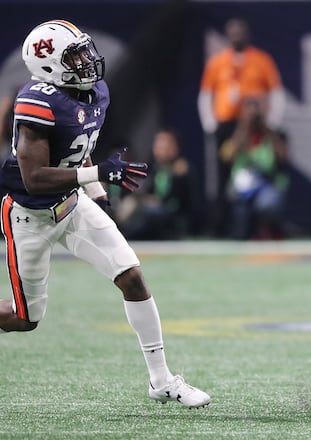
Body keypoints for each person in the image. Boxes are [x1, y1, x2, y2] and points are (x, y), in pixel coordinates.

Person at [0, 20, 210, 407]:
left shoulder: (94, 91)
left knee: (131, 277)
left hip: (72, 204)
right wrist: (97, 175)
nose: (87, 61)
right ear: (47, 66)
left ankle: (161, 380)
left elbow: (78, 147)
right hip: (29, 215)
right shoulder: (36, 102)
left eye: (84, 50)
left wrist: (94, 189)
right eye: (74, 56)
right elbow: (33, 178)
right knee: (23, 319)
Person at [198, 17, 284, 237]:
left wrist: (272, 121)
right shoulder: (218, 61)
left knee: (264, 170)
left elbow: (276, 91)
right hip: (227, 125)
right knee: (222, 176)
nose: (236, 36)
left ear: (247, 34)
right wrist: (210, 123)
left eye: (240, 32)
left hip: (256, 125)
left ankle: (264, 225)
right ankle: (221, 226)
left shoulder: (261, 60)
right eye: (232, 33)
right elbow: (207, 93)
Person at [222, 96, 289, 240]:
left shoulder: (274, 134)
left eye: (256, 113)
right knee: (239, 208)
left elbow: (283, 156)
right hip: (241, 187)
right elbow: (226, 157)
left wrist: (266, 129)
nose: (253, 117)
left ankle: (271, 233)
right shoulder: (234, 133)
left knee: (267, 204)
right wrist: (243, 129)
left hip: (267, 184)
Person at [117, 128, 197, 240]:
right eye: (158, 145)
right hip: (151, 213)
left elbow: (181, 202)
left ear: (175, 148)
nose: (161, 150)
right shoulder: (153, 169)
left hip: (172, 218)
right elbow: (145, 190)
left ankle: (125, 235)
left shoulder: (182, 169)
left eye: (165, 146)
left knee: (150, 212)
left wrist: (176, 177)